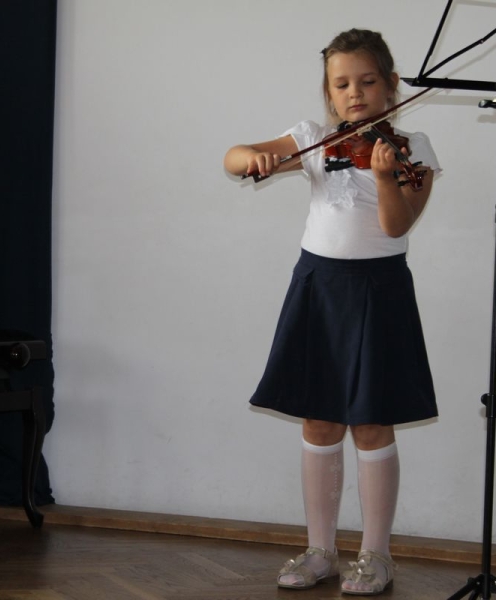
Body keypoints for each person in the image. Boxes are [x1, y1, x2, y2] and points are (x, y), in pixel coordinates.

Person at [224, 28, 439, 595]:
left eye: (367, 81)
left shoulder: (412, 147)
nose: (354, 93)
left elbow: (395, 225)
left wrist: (384, 176)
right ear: (329, 92)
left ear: (391, 84)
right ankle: (321, 550)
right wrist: (256, 159)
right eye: (341, 84)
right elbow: (233, 156)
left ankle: (376, 555)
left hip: (379, 290)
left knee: (371, 422)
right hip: (318, 287)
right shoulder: (316, 139)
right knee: (319, 419)